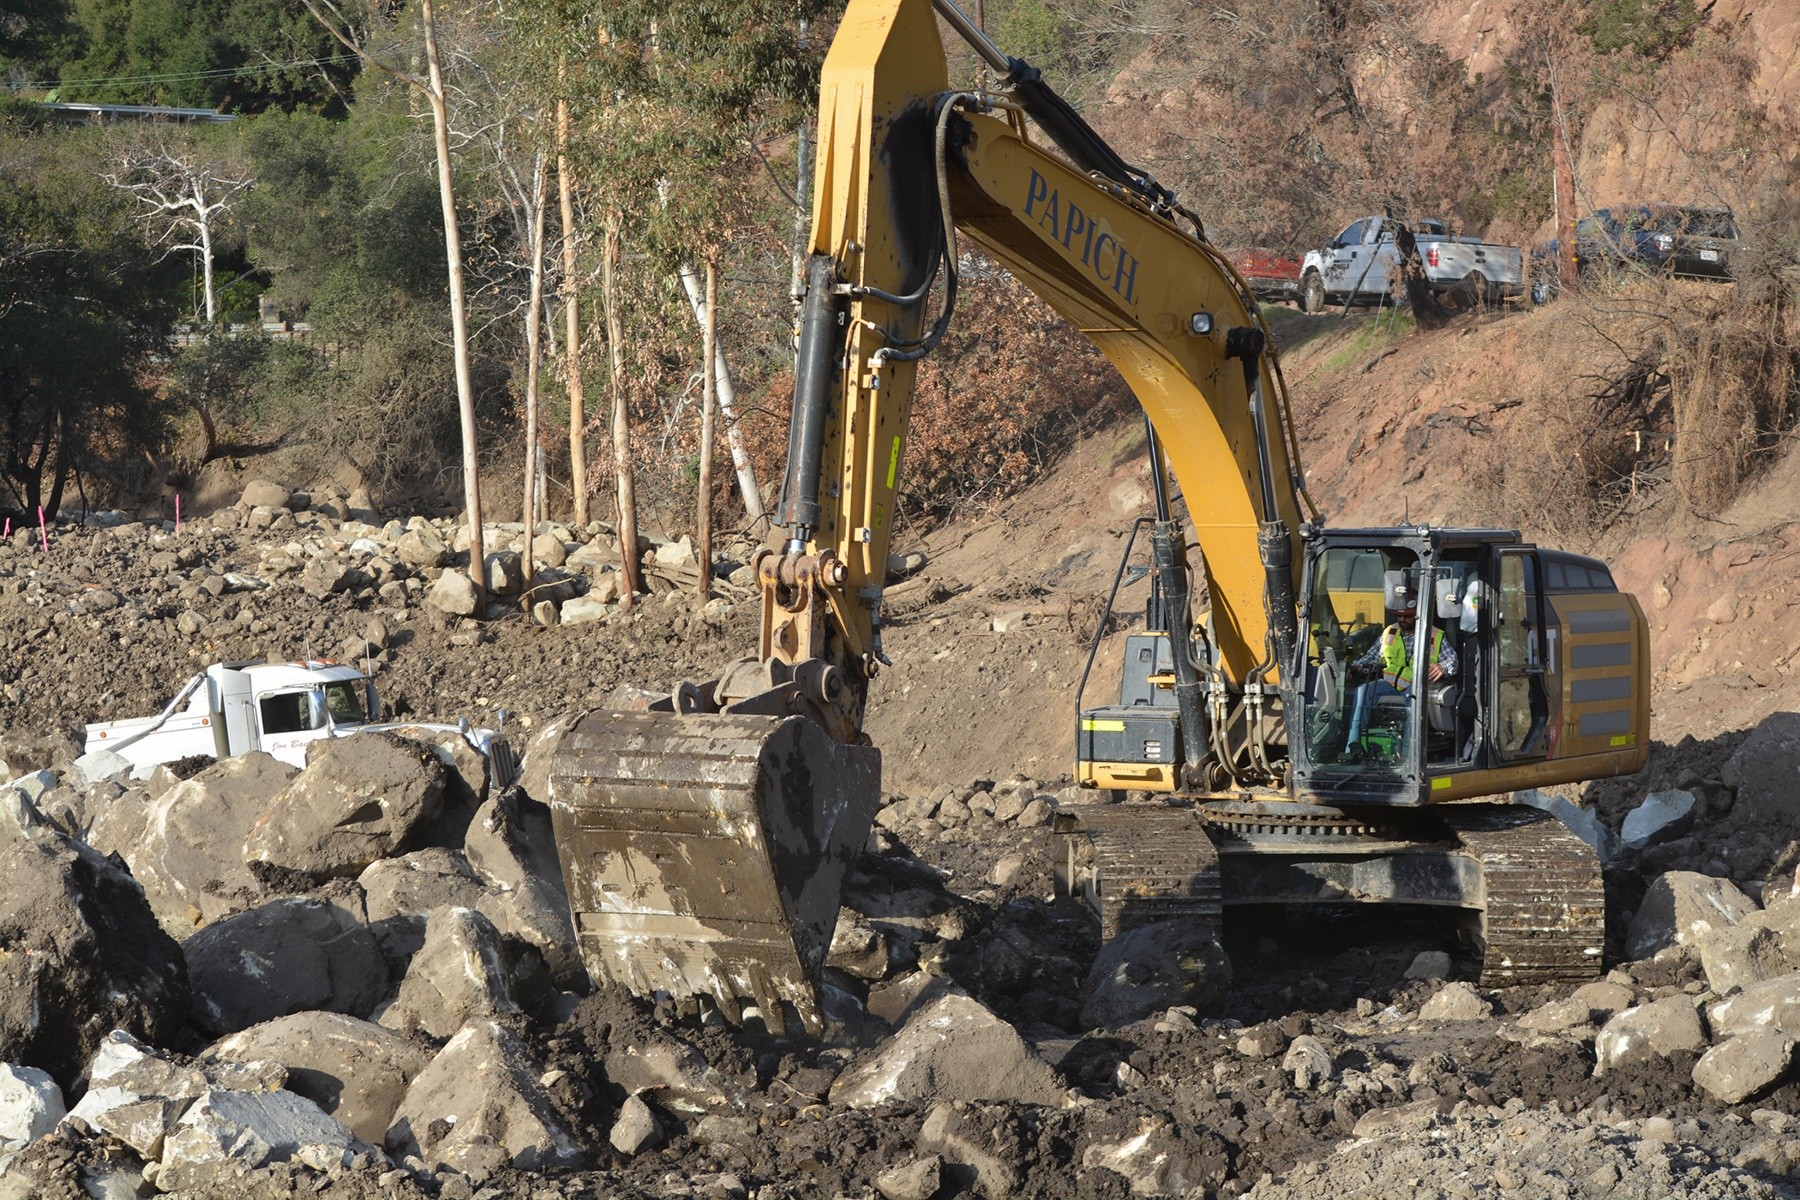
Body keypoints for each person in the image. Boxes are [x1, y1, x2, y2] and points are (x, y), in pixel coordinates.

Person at [1344, 580, 1457, 754]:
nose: (1402, 620)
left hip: (1416, 685)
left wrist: (1442, 667)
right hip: (1389, 684)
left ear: (1419, 614)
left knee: (1413, 698)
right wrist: (1358, 666)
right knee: (1362, 691)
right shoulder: (1390, 632)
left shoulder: (1434, 635)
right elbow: (1372, 657)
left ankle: (1408, 753)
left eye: (1407, 616)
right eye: (1399, 616)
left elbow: (1452, 660)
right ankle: (1354, 746)